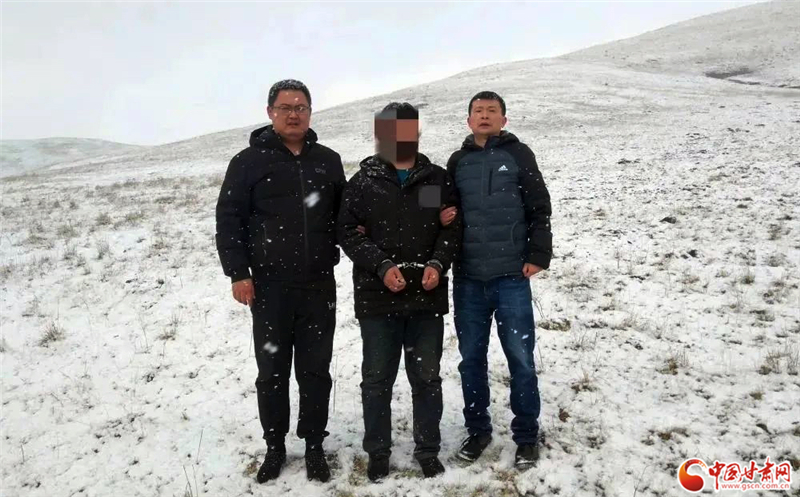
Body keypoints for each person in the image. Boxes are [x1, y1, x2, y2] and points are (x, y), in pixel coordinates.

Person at [215, 79, 345, 483]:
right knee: (271, 371)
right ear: (270, 112)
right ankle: (275, 446)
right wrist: (238, 273)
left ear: (310, 112)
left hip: (318, 284)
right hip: (269, 286)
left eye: (301, 107)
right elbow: (229, 220)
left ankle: (314, 444)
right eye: (286, 107)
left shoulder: (328, 160)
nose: (294, 114)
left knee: (315, 369)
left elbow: (346, 216)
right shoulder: (247, 162)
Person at [337, 102, 461, 481]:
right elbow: (347, 232)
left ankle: (427, 449)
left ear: (416, 132)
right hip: (377, 299)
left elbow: (449, 228)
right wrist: (381, 265)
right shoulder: (362, 183)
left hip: (425, 298)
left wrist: (437, 264)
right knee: (377, 380)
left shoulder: (434, 179)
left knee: (426, 378)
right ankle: (378, 451)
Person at [441, 91, 552, 470]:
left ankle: (526, 437)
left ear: (504, 119)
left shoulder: (519, 154)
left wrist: (538, 254)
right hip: (468, 278)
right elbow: (442, 204)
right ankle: (478, 430)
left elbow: (539, 205)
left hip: (511, 277)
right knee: (471, 359)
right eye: (478, 111)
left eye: (492, 111)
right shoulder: (457, 161)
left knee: (520, 359)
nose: (484, 116)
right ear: (468, 119)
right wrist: (439, 215)